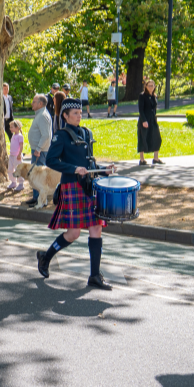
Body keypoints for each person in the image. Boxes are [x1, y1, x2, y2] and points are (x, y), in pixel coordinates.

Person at [35, 98, 114, 290]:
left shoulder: (87, 133)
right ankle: (46, 257)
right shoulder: (60, 136)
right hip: (72, 186)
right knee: (73, 233)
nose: (80, 116)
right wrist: (73, 169)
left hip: (89, 186)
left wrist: (104, 170)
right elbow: (52, 161)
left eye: (80, 112)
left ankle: (94, 276)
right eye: (75, 113)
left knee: (96, 228)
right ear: (65, 115)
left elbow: (90, 164)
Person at [26, 94, 53, 205]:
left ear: (40, 103)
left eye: (34, 101)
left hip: (40, 152)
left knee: (38, 176)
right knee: (36, 175)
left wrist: (38, 149)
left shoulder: (42, 116)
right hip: (38, 151)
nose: (32, 103)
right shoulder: (40, 114)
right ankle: (37, 197)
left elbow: (46, 135)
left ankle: (40, 200)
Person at [137, 78, 163, 165]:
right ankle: (142, 159)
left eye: (152, 85)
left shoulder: (154, 96)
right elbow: (141, 109)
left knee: (157, 138)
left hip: (153, 120)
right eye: (149, 85)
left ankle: (156, 158)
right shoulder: (142, 96)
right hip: (144, 120)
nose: (151, 87)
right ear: (146, 86)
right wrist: (144, 120)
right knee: (143, 138)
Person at [7, 118, 24, 190]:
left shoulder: (20, 136)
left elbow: (21, 146)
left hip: (17, 156)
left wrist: (19, 154)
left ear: (17, 128)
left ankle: (21, 184)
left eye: (11, 127)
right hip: (11, 156)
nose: (10, 129)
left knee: (18, 170)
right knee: (10, 169)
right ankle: (13, 182)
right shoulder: (13, 136)